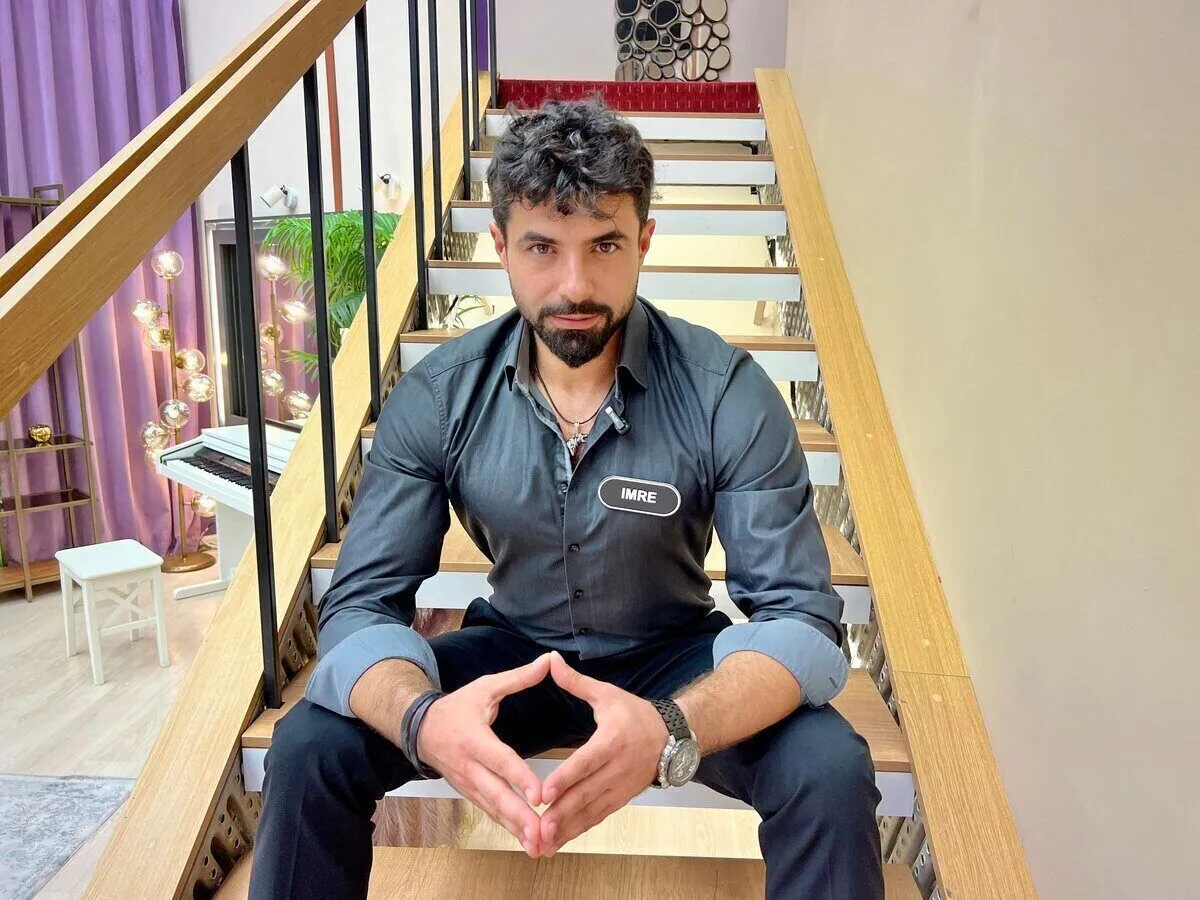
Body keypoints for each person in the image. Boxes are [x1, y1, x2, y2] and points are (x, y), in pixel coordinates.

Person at [250, 97, 883, 899]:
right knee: (309, 744)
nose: (574, 284)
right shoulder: (437, 397)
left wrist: (672, 726)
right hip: (511, 653)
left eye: (605, 245)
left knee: (829, 766)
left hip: (672, 656)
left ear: (644, 240)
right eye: (542, 247)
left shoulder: (727, 391)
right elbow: (358, 609)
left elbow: (800, 619)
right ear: (500, 246)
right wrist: (422, 719)